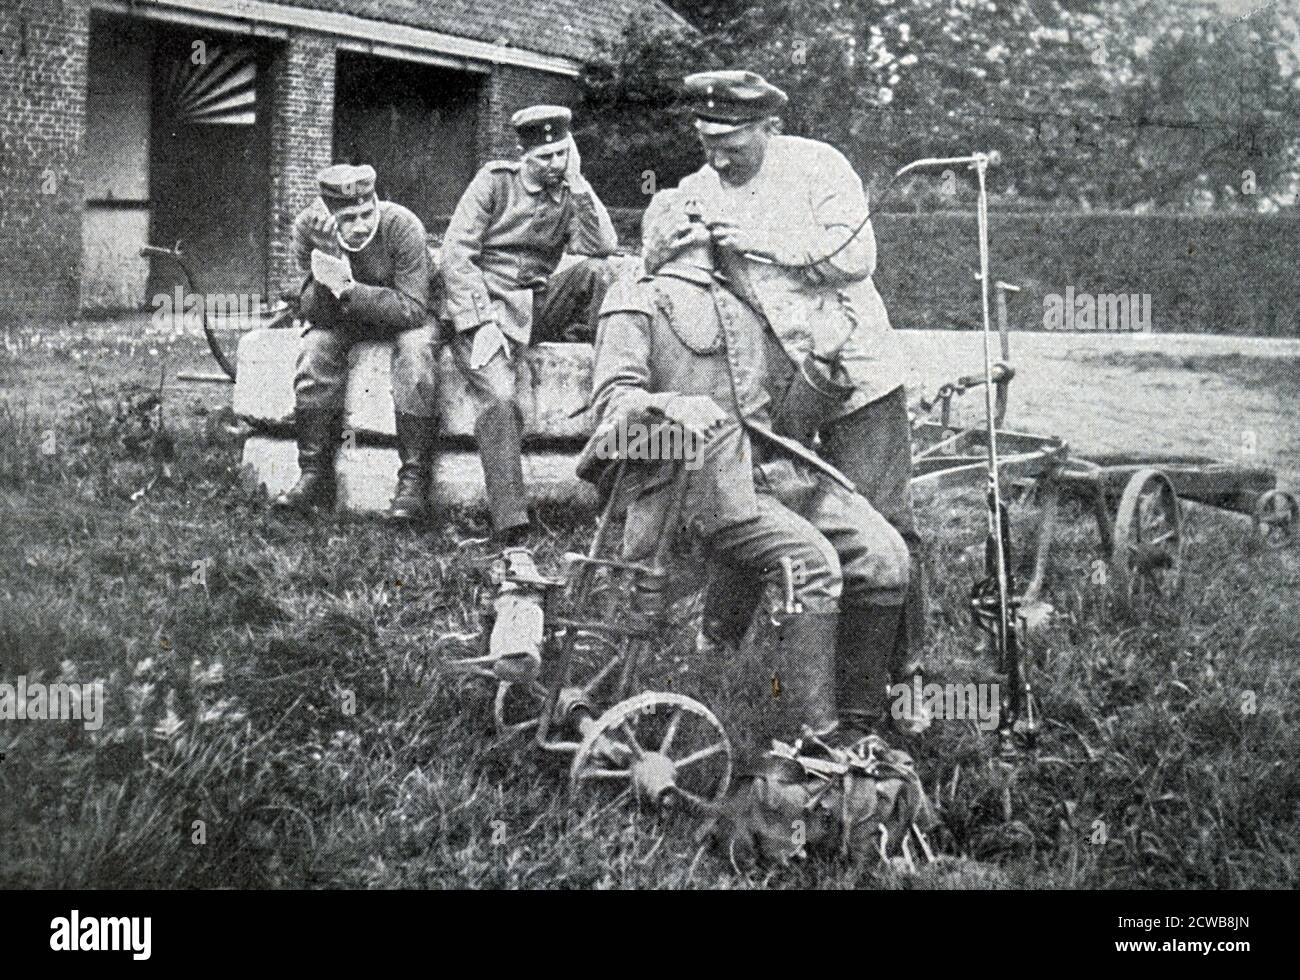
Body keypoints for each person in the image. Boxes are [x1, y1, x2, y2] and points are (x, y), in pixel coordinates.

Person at [576, 189, 910, 743]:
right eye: (674, 213)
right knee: (813, 564)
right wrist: (668, 406)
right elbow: (611, 413)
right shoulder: (637, 299)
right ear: (651, 242)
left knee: (885, 555)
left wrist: (824, 366)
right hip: (694, 482)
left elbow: (785, 421)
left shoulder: (745, 306)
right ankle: (819, 735)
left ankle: (859, 721)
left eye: (697, 210)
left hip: (775, 472)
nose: (690, 214)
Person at [676, 70, 928, 727]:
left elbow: (855, 257)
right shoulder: (699, 187)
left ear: (770, 128)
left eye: (731, 139)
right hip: (778, 385)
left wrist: (755, 242)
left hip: (855, 373)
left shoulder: (818, 167)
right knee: (759, 501)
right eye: (706, 138)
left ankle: (902, 679)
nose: (716, 154)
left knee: (885, 523)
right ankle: (719, 643)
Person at [441, 105, 619, 543]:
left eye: (562, 153)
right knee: (500, 395)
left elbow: (603, 246)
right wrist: (480, 323)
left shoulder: (567, 192)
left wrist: (579, 186)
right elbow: (456, 254)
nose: (555, 164)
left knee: (597, 276)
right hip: (482, 306)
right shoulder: (494, 182)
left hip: (533, 304)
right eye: (545, 157)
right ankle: (511, 522)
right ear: (524, 153)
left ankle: (617, 380)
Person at [274, 163, 436, 522]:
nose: (362, 225)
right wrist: (329, 257)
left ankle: (413, 482)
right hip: (344, 316)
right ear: (329, 217)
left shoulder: (402, 225)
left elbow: (412, 309)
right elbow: (312, 312)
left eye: (367, 212)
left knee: (417, 352)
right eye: (349, 218)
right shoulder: (308, 229)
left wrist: (346, 288)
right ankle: (314, 475)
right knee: (315, 350)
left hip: (405, 317)